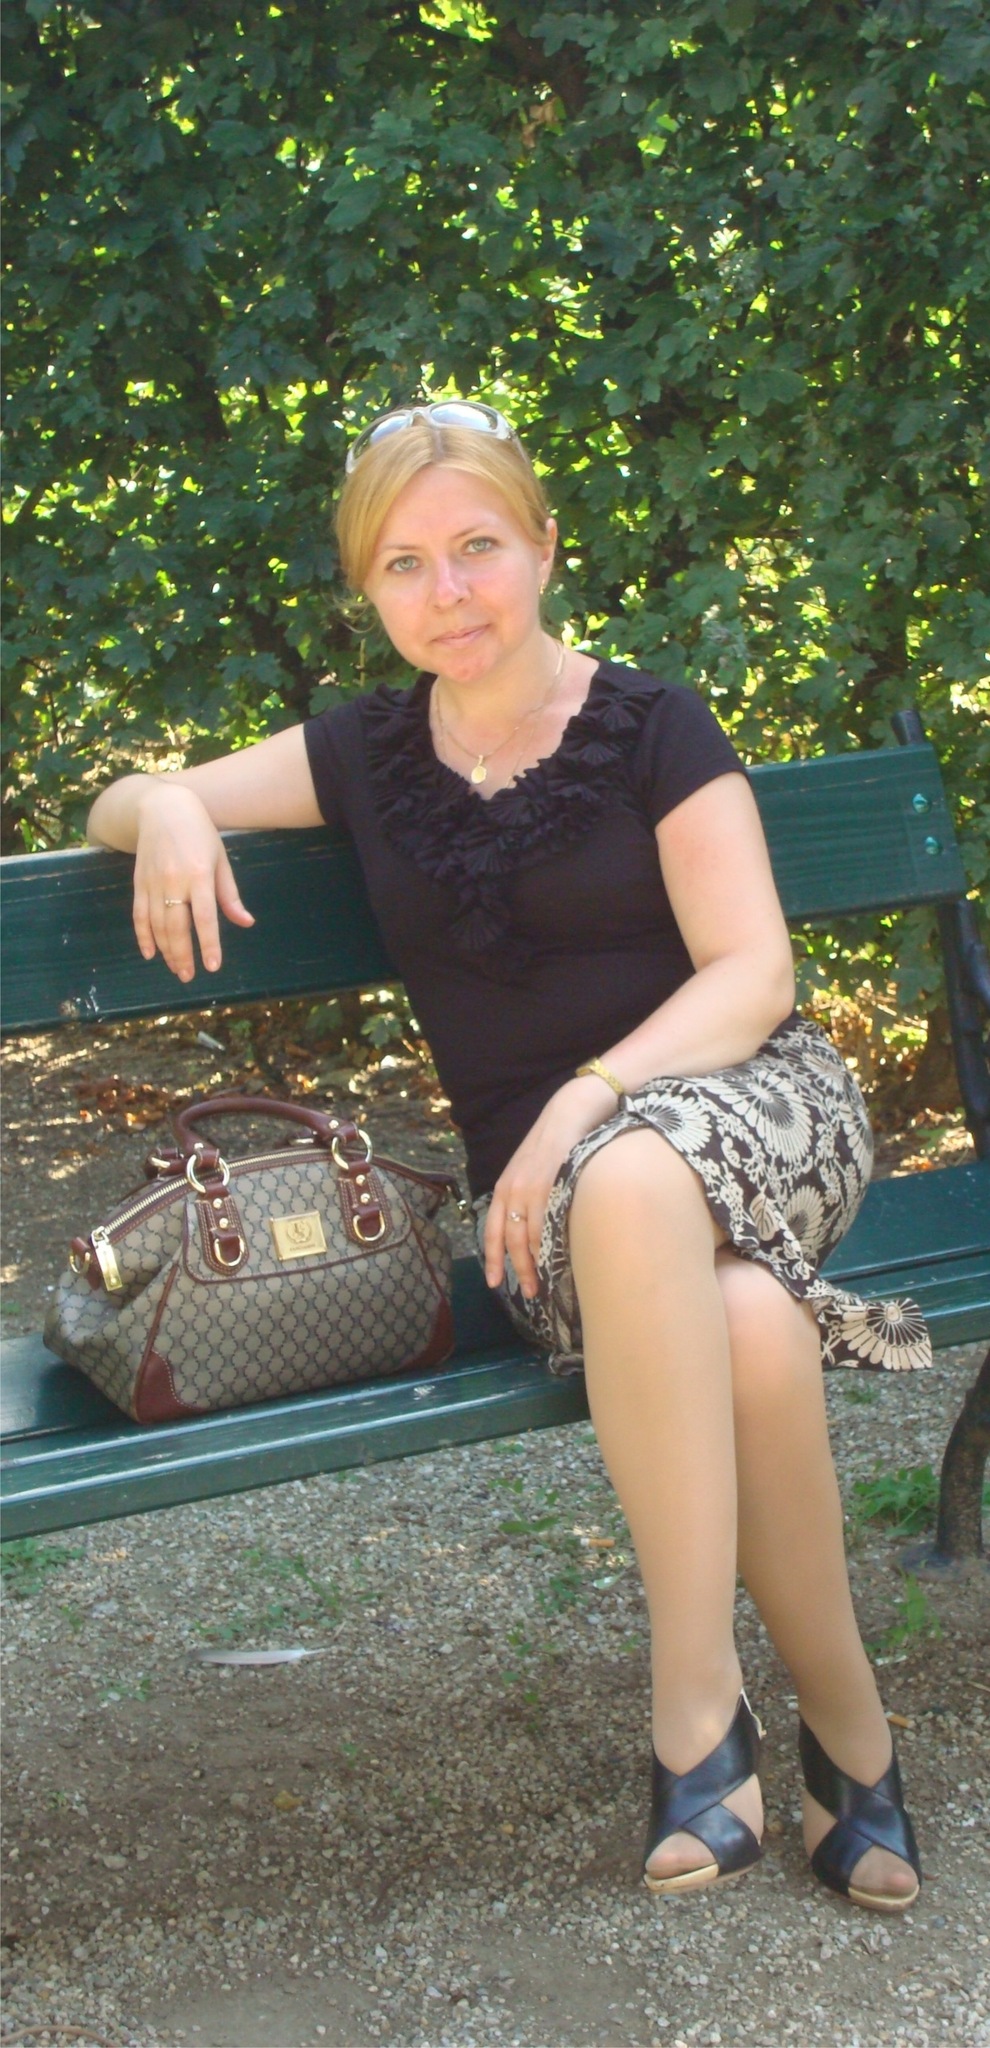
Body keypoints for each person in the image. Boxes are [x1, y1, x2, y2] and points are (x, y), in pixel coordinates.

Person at [87, 397, 928, 1911]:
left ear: (542, 545)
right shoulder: (364, 756)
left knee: (635, 1173)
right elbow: (124, 799)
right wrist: (163, 809)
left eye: (476, 546)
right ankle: (852, 1731)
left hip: (745, 1108)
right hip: (563, 1218)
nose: (448, 591)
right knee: (745, 1317)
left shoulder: (651, 727)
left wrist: (577, 1105)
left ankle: (693, 1707)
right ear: (369, 591)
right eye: (403, 565)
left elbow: (754, 976)